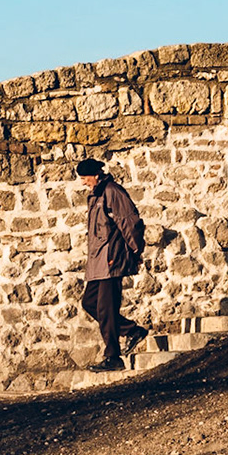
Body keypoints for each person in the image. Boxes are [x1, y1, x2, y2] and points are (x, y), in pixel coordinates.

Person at [78, 157, 147, 370]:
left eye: (85, 177)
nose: (83, 182)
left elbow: (129, 222)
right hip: (97, 262)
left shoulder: (112, 192)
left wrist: (136, 249)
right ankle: (132, 331)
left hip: (110, 259)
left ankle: (113, 357)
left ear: (95, 174)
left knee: (106, 309)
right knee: (89, 303)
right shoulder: (95, 195)